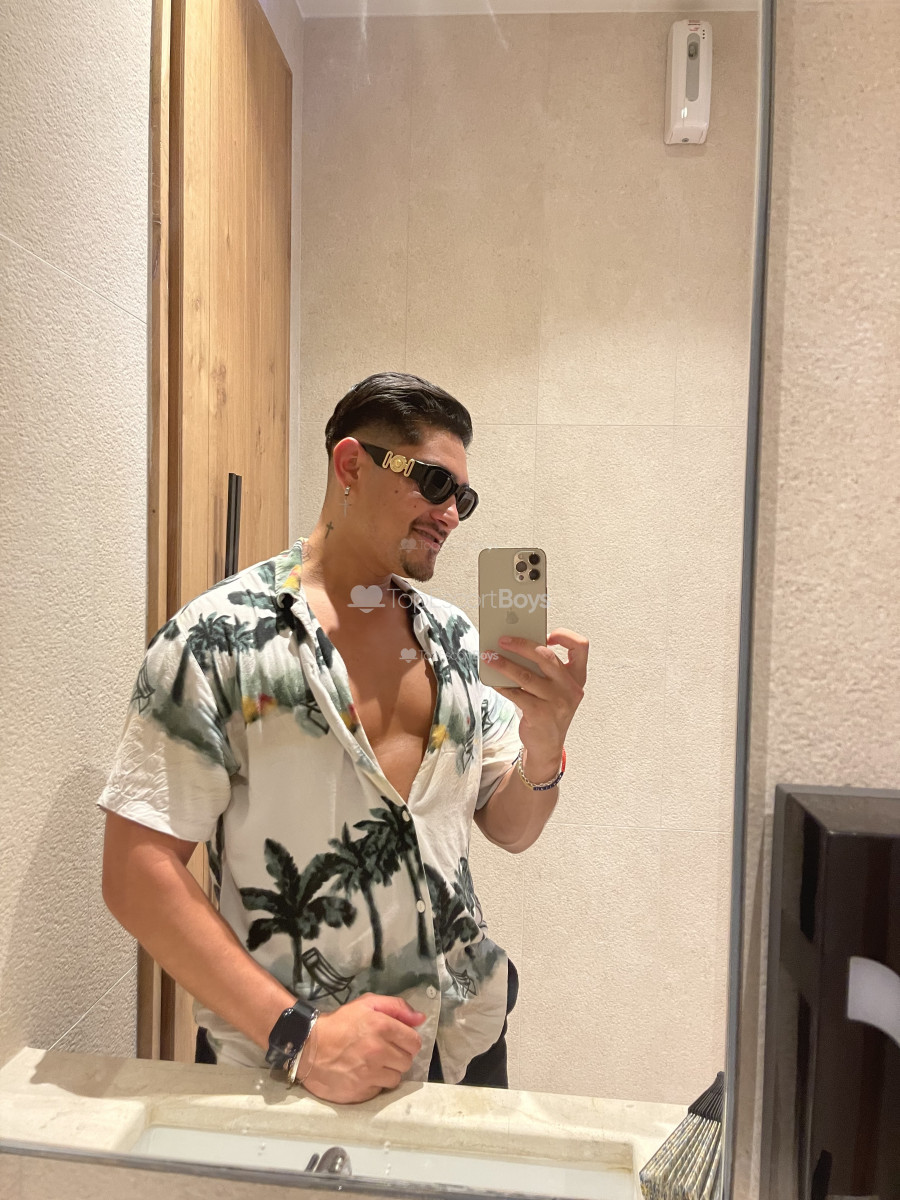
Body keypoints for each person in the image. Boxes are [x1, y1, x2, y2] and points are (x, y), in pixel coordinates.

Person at [99, 372, 588, 1104]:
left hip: (462, 1044)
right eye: (433, 482)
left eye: (463, 498)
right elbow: (136, 872)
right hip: (284, 1064)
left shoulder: (455, 639)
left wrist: (545, 746)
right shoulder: (218, 637)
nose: (450, 514)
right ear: (351, 465)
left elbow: (510, 828)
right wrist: (301, 1038)